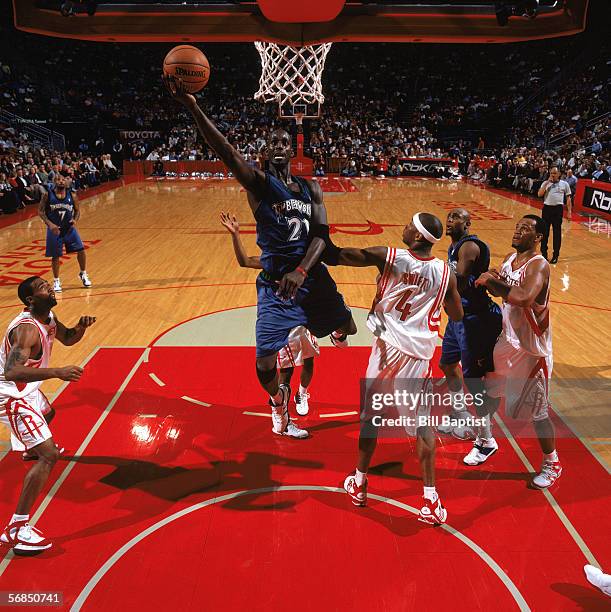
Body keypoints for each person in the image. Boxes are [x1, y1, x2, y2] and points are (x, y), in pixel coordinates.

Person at [165, 76, 356, 439]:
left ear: (293, 147)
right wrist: (193, 107)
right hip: (276, 289)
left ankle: (332, 327)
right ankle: (278, 403)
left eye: (285, 141)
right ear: (266, 151)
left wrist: (302, 269)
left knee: (349, 328)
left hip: (311, 281)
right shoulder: (259, 184)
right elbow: (226, 152)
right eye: (273, 142)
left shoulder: (310, 187)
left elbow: (321, 236)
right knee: (264, 366)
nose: (280, 145)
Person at [332, 212, 463, 525]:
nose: (402, 228)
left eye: (407, 225)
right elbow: (457, 314)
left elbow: (339, 255)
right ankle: (431, 500)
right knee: (421, 425)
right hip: (418, 357)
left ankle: (360, 483)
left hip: (387, 351)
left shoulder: (388, 256)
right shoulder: (446, 272)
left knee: (371, 418)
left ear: (417, 236)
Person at [0, 276, 95, 554]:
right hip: (10, 394)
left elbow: (67, 339)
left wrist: (80, 327)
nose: (50, 287)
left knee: (48, 411)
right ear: (31, 300)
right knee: (49, 454)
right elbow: (13, 371)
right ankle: (16, 529)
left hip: (26, 389)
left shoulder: (48, 315)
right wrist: (57, 372)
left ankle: (30, 449)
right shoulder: (27, 330)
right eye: (42, 287)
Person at [465, 215, 561, 489]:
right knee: (488, 394)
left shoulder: (538, 266)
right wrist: (494, 275)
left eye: (525, 229)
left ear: (539, 237)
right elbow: (503, 281)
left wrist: (489, 281)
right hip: (507, 342)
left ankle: (552, 463)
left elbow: (523, 297)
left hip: (532, 352)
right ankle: (485, 441)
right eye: (517, 227)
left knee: (538, 413)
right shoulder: (510, 259)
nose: (518, 231)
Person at [220, 211, 318, 422]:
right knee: (286, 367)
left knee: (309, 361)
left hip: (302, 316)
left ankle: (302, 393)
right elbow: (245, 261)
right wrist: (235, 234)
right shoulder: (271, 262)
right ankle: (281, 408)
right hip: (282, 318)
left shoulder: (305, 261)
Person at [438, 209, 502, 439]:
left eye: (456, 217)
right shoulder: (454, 246)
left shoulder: (469, 246)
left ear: (468, 224)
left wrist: (432, 276)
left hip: (477, 319)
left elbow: (460, 280)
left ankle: (484, 431)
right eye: (448, 217)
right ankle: (460, 412)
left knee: (476, 378)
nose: (450, 220)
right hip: (459, 317)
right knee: (447, 364)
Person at [38, 173, 92, 293]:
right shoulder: (47, 195)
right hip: (55, 229)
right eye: (58, 180)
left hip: (68, 228)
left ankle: (83, 273)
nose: (61, 181)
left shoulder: (72, 195)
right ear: (53, 182)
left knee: (81, 249)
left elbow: (77, 211)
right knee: (56, 255)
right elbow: (40, 212)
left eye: (63, 180)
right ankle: (56, 280)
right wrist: (50, 224)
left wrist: (75, 220)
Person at [537, 166, 572, 264]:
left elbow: (568, 199)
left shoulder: (565, 184)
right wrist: (547, 183)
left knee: (557, 234)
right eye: (551, 173)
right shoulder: (546, 183)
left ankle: (555, 255)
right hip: (547, 209)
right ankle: (544, 253)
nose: (552, 175)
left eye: (554, 173)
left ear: (559, 174)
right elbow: (539, 194)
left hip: (558, 210)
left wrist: (569, 212)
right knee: (545, 233)